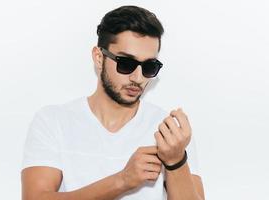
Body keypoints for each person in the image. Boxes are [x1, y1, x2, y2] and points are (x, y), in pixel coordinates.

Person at [21, 5, 205, 200]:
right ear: (99, 57)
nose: (138, 77)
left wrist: (176, 160)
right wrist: (122, 181)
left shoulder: (169, 131)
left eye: (149, 67)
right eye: (126, 63)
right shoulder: (54, 121)